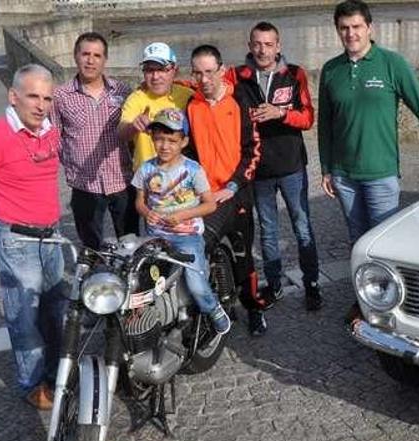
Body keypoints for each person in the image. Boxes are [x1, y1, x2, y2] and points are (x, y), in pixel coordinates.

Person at [317, 0, 419, 322]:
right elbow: (327, 125)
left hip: (380, 172)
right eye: (344, 28)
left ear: (370, 28)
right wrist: (327, 168)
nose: (351, 33)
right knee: (358, 241)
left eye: (357, 26)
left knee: (384, 242)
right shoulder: (331, 70)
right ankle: (365, 301)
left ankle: (396, 303)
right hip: (344, 175)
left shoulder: (391, 64)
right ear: (338, 31)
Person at [0, 64, 66, 410]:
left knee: (56, 311)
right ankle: (33, 383)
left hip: (50, 237)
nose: (41, 105)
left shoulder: (50, 131)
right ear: (13, 95)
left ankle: (58, 376)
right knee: (24, 318)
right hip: (17, 240)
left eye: (47, 98)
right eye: (33, 96)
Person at [232, 21, 322, 310]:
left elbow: (307, 118)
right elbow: (202, 82)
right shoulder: (237, 77)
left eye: (268, 44)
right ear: (250, 46)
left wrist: (280, 113)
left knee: (302, 227)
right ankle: (275, 285)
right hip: (258, 169)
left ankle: (312, 284)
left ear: (278, 46)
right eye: (257, 44)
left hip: (292, 165)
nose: (262, 50)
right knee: (268, 230)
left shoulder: (294, 74)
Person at [185, 44, 270, 336]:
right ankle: (218, 303)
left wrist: (233, 185)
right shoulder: (192, 106)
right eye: (198, 73)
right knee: (203, 250)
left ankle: (254, 308)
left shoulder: (240, 101)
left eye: (210, 72)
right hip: (207, 197)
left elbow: (253, 151)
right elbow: (190, 155)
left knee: (243, 259)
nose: (204, 79)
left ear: (222, 71)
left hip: (236, 194)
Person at [132, 108, 231, 334]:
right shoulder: (146, 168)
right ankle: (145, 322)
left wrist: (182, 215)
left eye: (172, 140)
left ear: (184, 141)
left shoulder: (193, 170)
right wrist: (147, 212)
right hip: (155, 236)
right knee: (139, 278)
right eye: (159, 139)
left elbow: (210, 204)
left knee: (195, 283)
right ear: (151, 139)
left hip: (187, 237)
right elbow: (139, 201)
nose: (165, 146)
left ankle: (213, 307)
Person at [52, 32, 136, 249]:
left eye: (97, 55)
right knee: (91, 246)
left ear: (105, 60)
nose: (90, 60)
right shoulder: (60, 96)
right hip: (84, 184)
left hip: (122, 180)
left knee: (130, 244)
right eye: (85, 54)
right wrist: (72, 164)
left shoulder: (123, 91)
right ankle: (96, 281)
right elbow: (55, 138)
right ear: (75, 56)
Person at [119, 42, 194, 171]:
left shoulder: (188, 95)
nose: (155, 76)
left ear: (174, 70)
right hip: (146, 179)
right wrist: (133, 126)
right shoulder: (136, 98)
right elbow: (121, 133)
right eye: (149, 70)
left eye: (161, 69)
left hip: (182, 180)